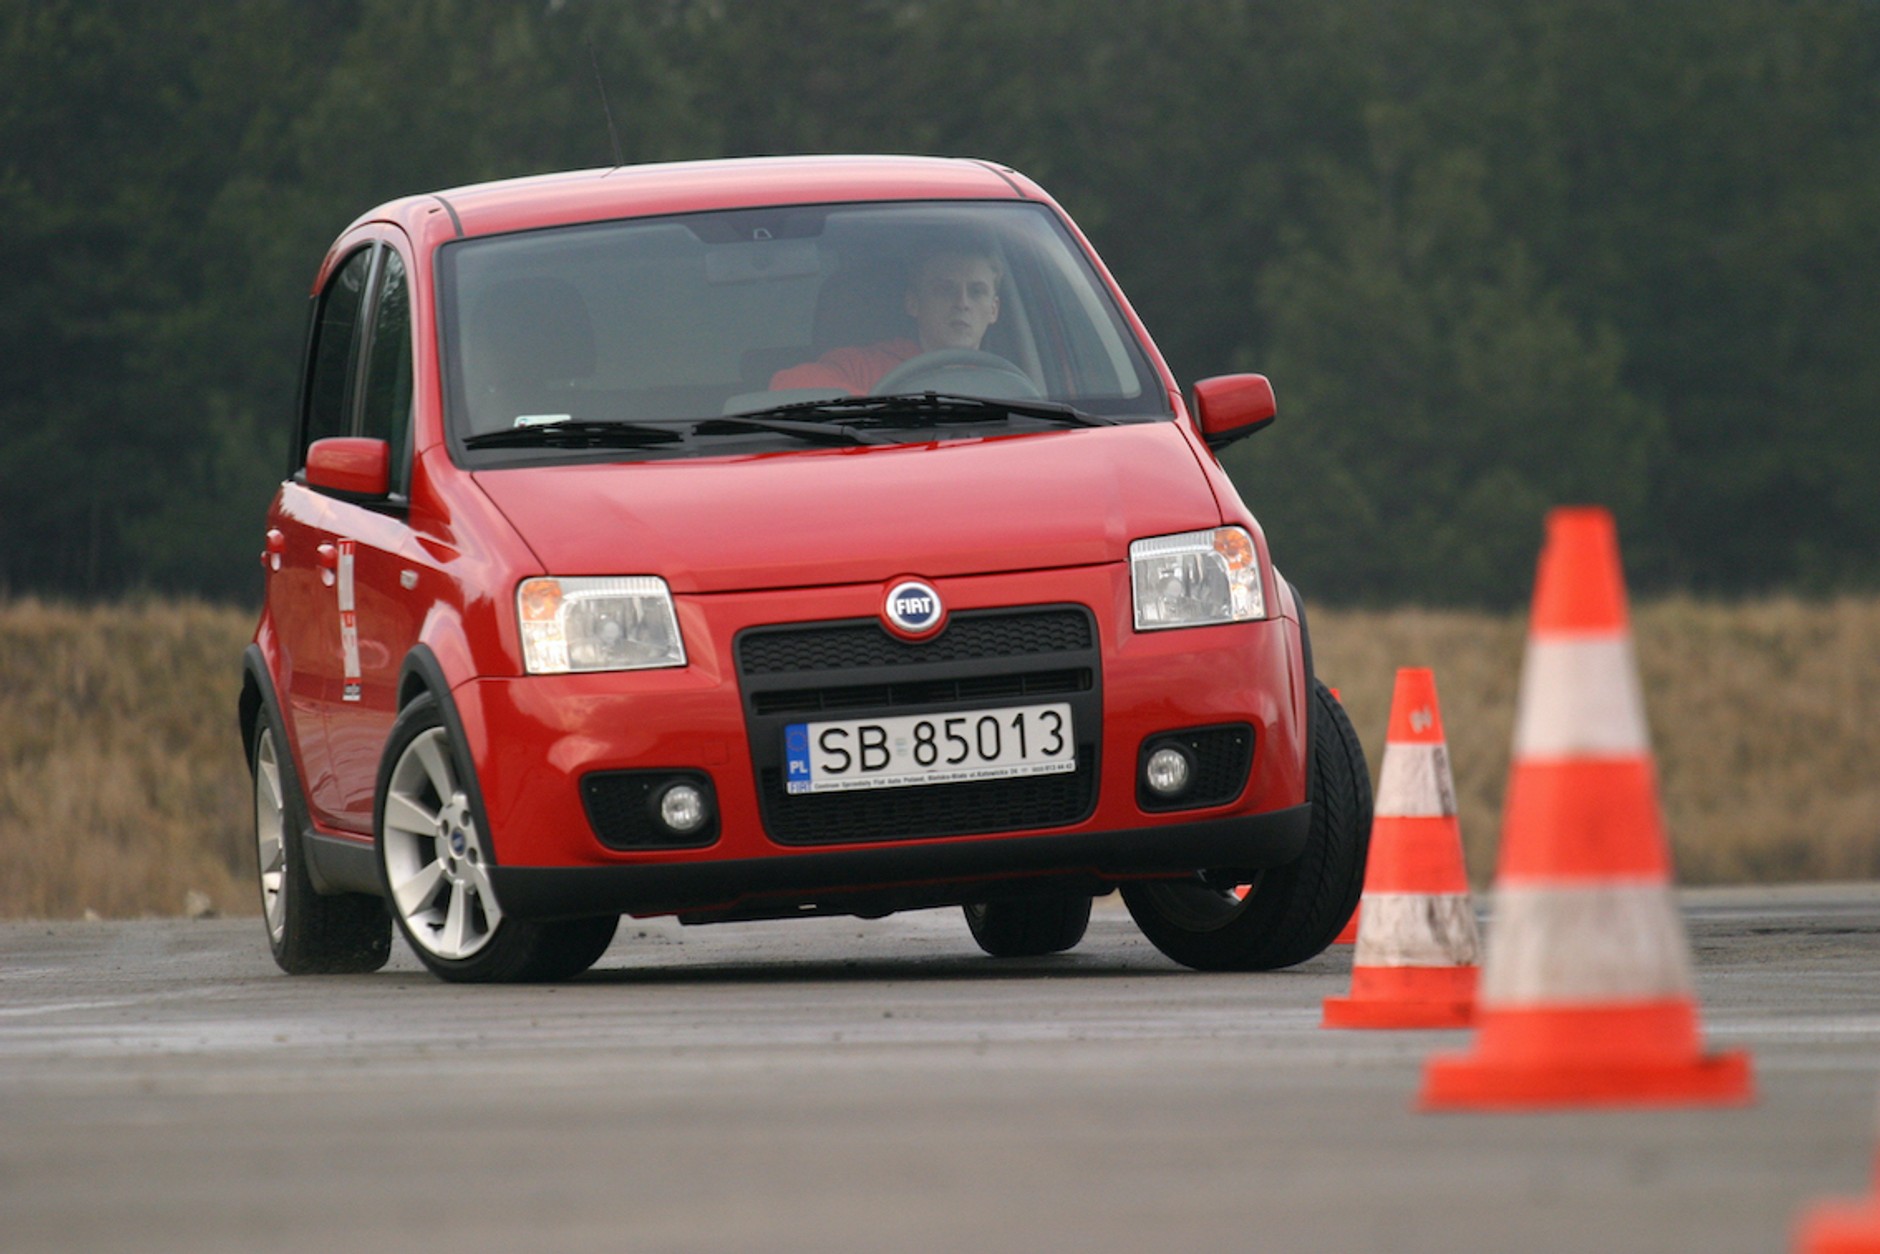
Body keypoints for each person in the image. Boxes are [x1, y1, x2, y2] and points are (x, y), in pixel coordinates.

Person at [769, 245, 1003, 395]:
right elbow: (788, 384)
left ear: (993, 310)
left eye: (976, 292)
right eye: (945, 289)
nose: (962, 303)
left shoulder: (1010, 382)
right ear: (913, 303)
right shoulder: (864, 366)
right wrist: (888, 413)